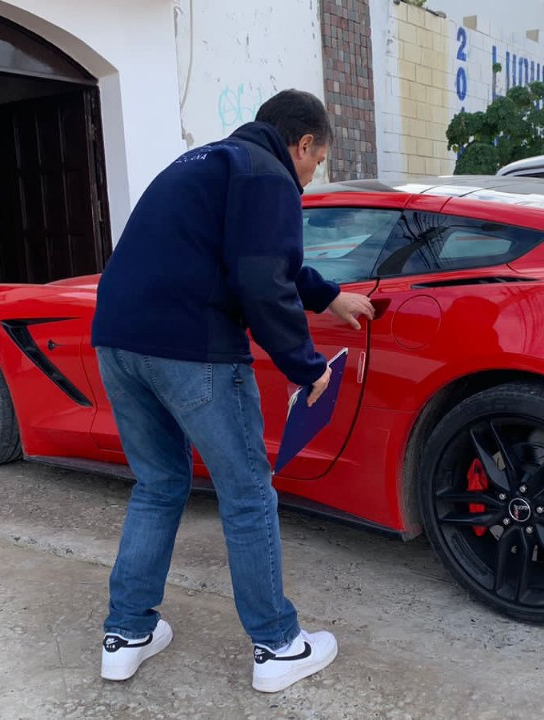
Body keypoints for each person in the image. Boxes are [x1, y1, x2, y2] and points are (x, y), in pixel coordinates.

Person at [89, 89, 374, 693]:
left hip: (116, 339)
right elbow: (260, 281)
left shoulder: (206, 163)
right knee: (247, 495)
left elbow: (265, 260)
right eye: (316, 161)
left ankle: (127, 633)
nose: (310, 175)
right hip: (193, 349)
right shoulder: (268, 175)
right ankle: (277, 646)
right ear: (302, 144)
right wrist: (306, 366)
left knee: (159, 484)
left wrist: (328, 296)